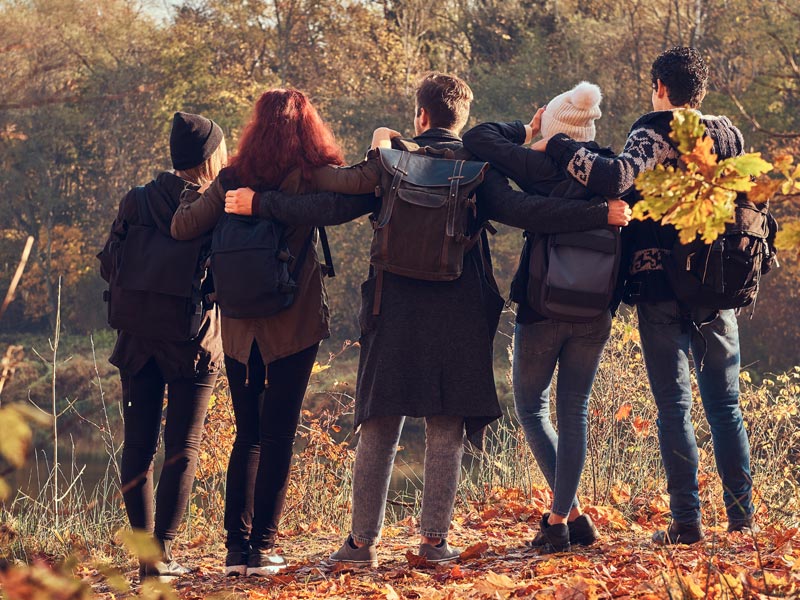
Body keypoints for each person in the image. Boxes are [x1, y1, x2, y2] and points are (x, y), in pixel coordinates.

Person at [224, 72, 632, 565]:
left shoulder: (394, 162)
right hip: (458, 311)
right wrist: (596, 213)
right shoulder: (481, 169)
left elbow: (329, 206)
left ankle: (360, 544)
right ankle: (434, 543)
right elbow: (531, 212)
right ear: (459, 118)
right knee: (445, 424)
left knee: (380, 422)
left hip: (392, 308)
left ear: (421, 115)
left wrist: (262, 202)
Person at [540, 47, 755, 544]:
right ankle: (742, 519)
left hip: (661, 285)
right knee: (726, 406)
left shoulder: (653, 130)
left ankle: (686, 523)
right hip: (719, 286)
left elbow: (616, 178)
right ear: (699, 91)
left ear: (660, 85)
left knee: (674, 408)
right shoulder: (727, 133)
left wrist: (556, 146)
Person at [170, 89, 379, 576]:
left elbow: (183, 228)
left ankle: (235, 551)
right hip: (294, 324)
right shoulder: (309, 177)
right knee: (279, 434)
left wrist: (207, 191)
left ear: (254, 127)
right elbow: (363, 191)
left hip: (240, 328)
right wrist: (381, 147)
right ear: (308, 129)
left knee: (249, 435)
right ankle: (262, 549)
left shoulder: (230, 180)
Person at [462, 81, 624, 553]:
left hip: (542, 306)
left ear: (555, 130)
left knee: (532, 408)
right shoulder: (611, 172)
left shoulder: (541, 165)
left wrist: (528, 129)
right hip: (595, 310)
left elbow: (477, 138)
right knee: (574, 410)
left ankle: (560, 519)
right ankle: (569, 515)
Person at [98, 111, 226, 579]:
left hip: (135, 338)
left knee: (138, 445)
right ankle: (164, 552)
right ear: (210, 157)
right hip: (192, 341)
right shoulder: (211, 206)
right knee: (182, 447)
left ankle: (146, 558)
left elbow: (109, 264)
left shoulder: (135, 200)